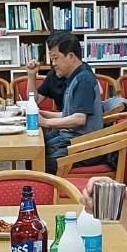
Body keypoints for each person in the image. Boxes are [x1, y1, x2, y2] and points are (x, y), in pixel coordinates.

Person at [40, 34, 103, 170]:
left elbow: (79, 119)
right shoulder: (76, 76)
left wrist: (45, 122)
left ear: (71, 56)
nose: (53, 63)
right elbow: (71, 114)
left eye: (55, 58)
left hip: (84, 146)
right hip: (73, 140)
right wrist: (43, 114)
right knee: (38, 149)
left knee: (41, 160)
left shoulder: (83, 80)